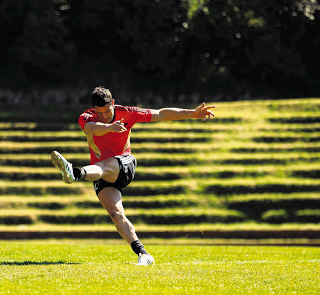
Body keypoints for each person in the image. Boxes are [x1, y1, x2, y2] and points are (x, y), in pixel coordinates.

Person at [51, 86, 215, 265]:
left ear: (113, 103)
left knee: (103, 167)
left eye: (107, 111)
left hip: (124, 164)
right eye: (100, 113)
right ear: (94, 110)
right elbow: (93, 128)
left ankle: (75, 173)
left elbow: (161, 114)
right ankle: (143, 254)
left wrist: (193, 113)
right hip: (100, 172)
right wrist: (109, 127)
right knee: (115, 214)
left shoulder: (127, 112)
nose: (104, 115)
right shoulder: (87, 117)